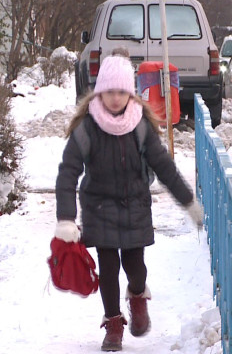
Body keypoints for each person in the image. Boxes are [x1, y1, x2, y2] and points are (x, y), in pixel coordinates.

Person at [53, 56, 195, 352]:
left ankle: (138, 296)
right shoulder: (87, 128)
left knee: (135, 266)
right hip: (99, 207)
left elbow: (164, 166)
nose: (115, 98)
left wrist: (188, 201)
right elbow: (68, 172)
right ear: (99, 92)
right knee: (108, 267)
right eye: (109, 92)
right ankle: (113, 324)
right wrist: (66, 218)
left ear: (130, 93)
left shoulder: (140, 126)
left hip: (135, 207)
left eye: (121, 92)